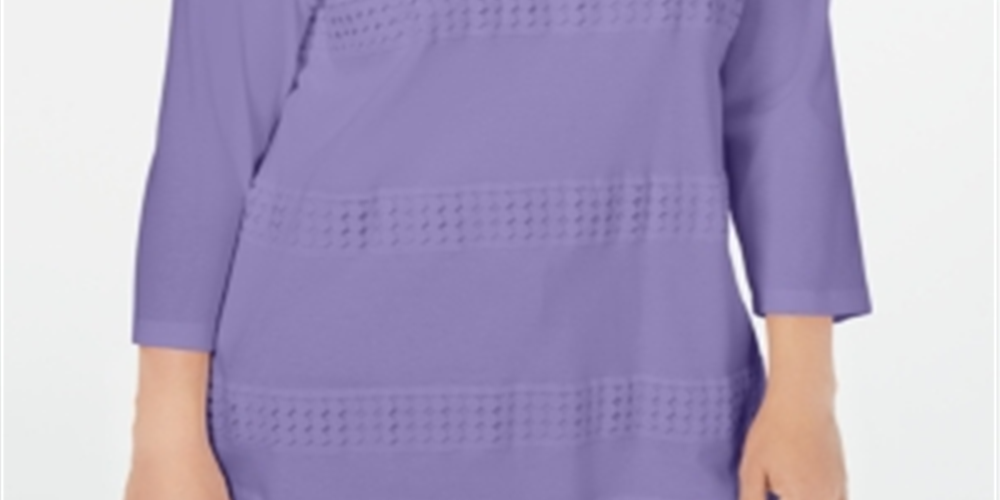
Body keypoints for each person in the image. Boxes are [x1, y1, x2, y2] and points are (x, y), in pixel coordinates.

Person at [123, 0, 873, 498]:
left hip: (648, 401)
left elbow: (784, 104)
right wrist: (165, 432)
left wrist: (807, 392)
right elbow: (208, 135)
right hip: (339, 414)